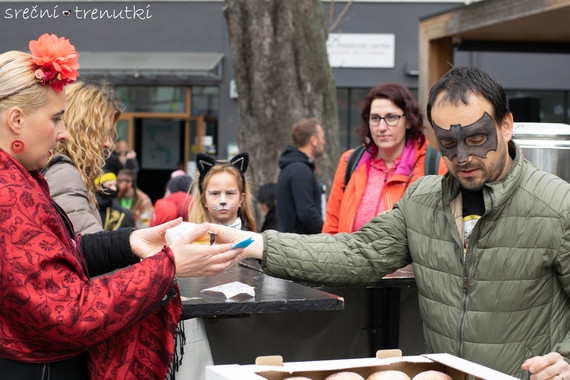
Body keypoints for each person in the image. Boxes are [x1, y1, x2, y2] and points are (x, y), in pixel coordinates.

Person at [208, 66, 570, 379]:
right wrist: (254, 244)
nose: (462, 156)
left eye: (476, 138)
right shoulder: (422, 199)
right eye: (448, 142)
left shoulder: (558, 206)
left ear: (507, 126)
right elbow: (357, 251)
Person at [0, 33, 243, 380]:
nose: (65, 133)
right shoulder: (9, 193)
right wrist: (168, 266)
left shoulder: (21, 178)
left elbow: (56, 255)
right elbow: (70, 312)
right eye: (56, 119)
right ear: (16, 120)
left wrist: (131, 242)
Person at [323, 83, 446, 234]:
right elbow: (331, 228)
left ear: (408, 121)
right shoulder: (350, 162)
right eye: (375, 118)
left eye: (391, 117)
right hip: (350, 257)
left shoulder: (434, 166)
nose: (381, 127)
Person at [177, 152, 256, 380]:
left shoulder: (256, 241)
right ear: (203, 198)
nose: (223, 200)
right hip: (202, 333)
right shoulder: (188, 241)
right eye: (215, 193)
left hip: (242, 334)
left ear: (241, 197)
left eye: (230, 193)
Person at [42, 80, 121, 235]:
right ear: (81, 130)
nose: (107, 143)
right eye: (102, 132)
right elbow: (90, 247)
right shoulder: (65, 174)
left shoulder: (62, 170)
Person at [276, 117, 326, 233]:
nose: (323, 142)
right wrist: (326, 233)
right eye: (321, 138)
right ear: (313, 140)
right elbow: (306, 212)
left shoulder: (293, 167)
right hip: (299, 246)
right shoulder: (300, 170)